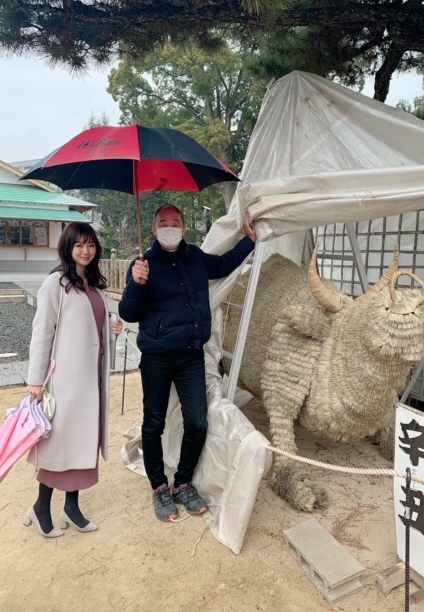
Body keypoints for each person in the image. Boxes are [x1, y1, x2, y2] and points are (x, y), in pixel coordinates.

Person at [119, 204, 256, 522]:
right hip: (156, 357)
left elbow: (223, 264)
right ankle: (158, 487)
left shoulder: (195, 256)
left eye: (175, 222)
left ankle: (182, 483)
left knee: (197, 422)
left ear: (184, 227)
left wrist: (250, 240)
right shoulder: (143, 264)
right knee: (154, 424)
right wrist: (137, 284)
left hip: (191, 355)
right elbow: (129, 313)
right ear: (154, 230)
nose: (170, 227)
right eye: (163, 222)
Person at [25, 222, 123, 538]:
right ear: (68, 247)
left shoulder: (94, 285)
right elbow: (43, 333)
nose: (85, 250)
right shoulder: (57, 283)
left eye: (91, 245)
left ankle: (72, 507)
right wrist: (36, 380)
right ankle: (41, 508)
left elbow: (93, 327)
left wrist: (112, 328)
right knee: (59, 445)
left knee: (82, 444)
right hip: (66, 380)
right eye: (79, 245)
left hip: (91, 380)